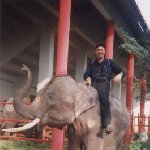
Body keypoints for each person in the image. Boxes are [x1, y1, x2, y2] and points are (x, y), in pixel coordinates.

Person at [83, 44, 126, 134]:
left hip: (104, 83)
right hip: (93, 84)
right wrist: (88, 78)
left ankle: (106, 123)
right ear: (96, 52)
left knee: (103, 97)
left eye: (101, 50)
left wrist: (120, 75)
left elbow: (122, 70)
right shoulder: (92, 63)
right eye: (98, 50)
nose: (100, 52)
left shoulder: (110, 62)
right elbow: (86, 74)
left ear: (104, 51)